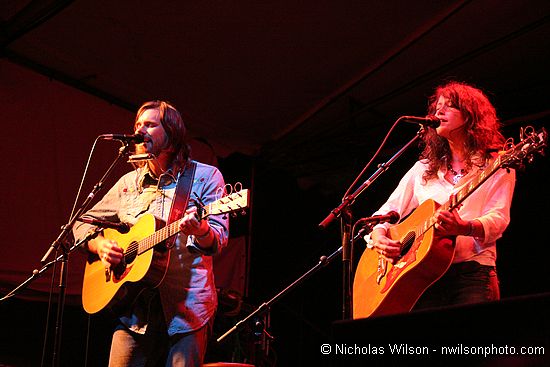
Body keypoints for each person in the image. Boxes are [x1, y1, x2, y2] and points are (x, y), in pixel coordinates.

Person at [74, 100, 229, 366]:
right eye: (137, 125)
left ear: (171, 132)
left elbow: (217, 239)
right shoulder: (128, 183)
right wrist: (100, 246)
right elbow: (80, 223)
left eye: (150, 124)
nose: (140, 130)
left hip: (188, 311)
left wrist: (200, 229)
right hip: (135, 312)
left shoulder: (205, 177)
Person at [368, 81, 515, 309]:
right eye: (437, 106)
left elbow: (499, 218)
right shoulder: (424, 168)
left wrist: (464, 227)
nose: (438, 111)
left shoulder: (497, 164)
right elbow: (386, 213)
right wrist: (379, 237)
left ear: (470, 116)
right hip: (425, 277)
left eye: (449, 106)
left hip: (473, 273)